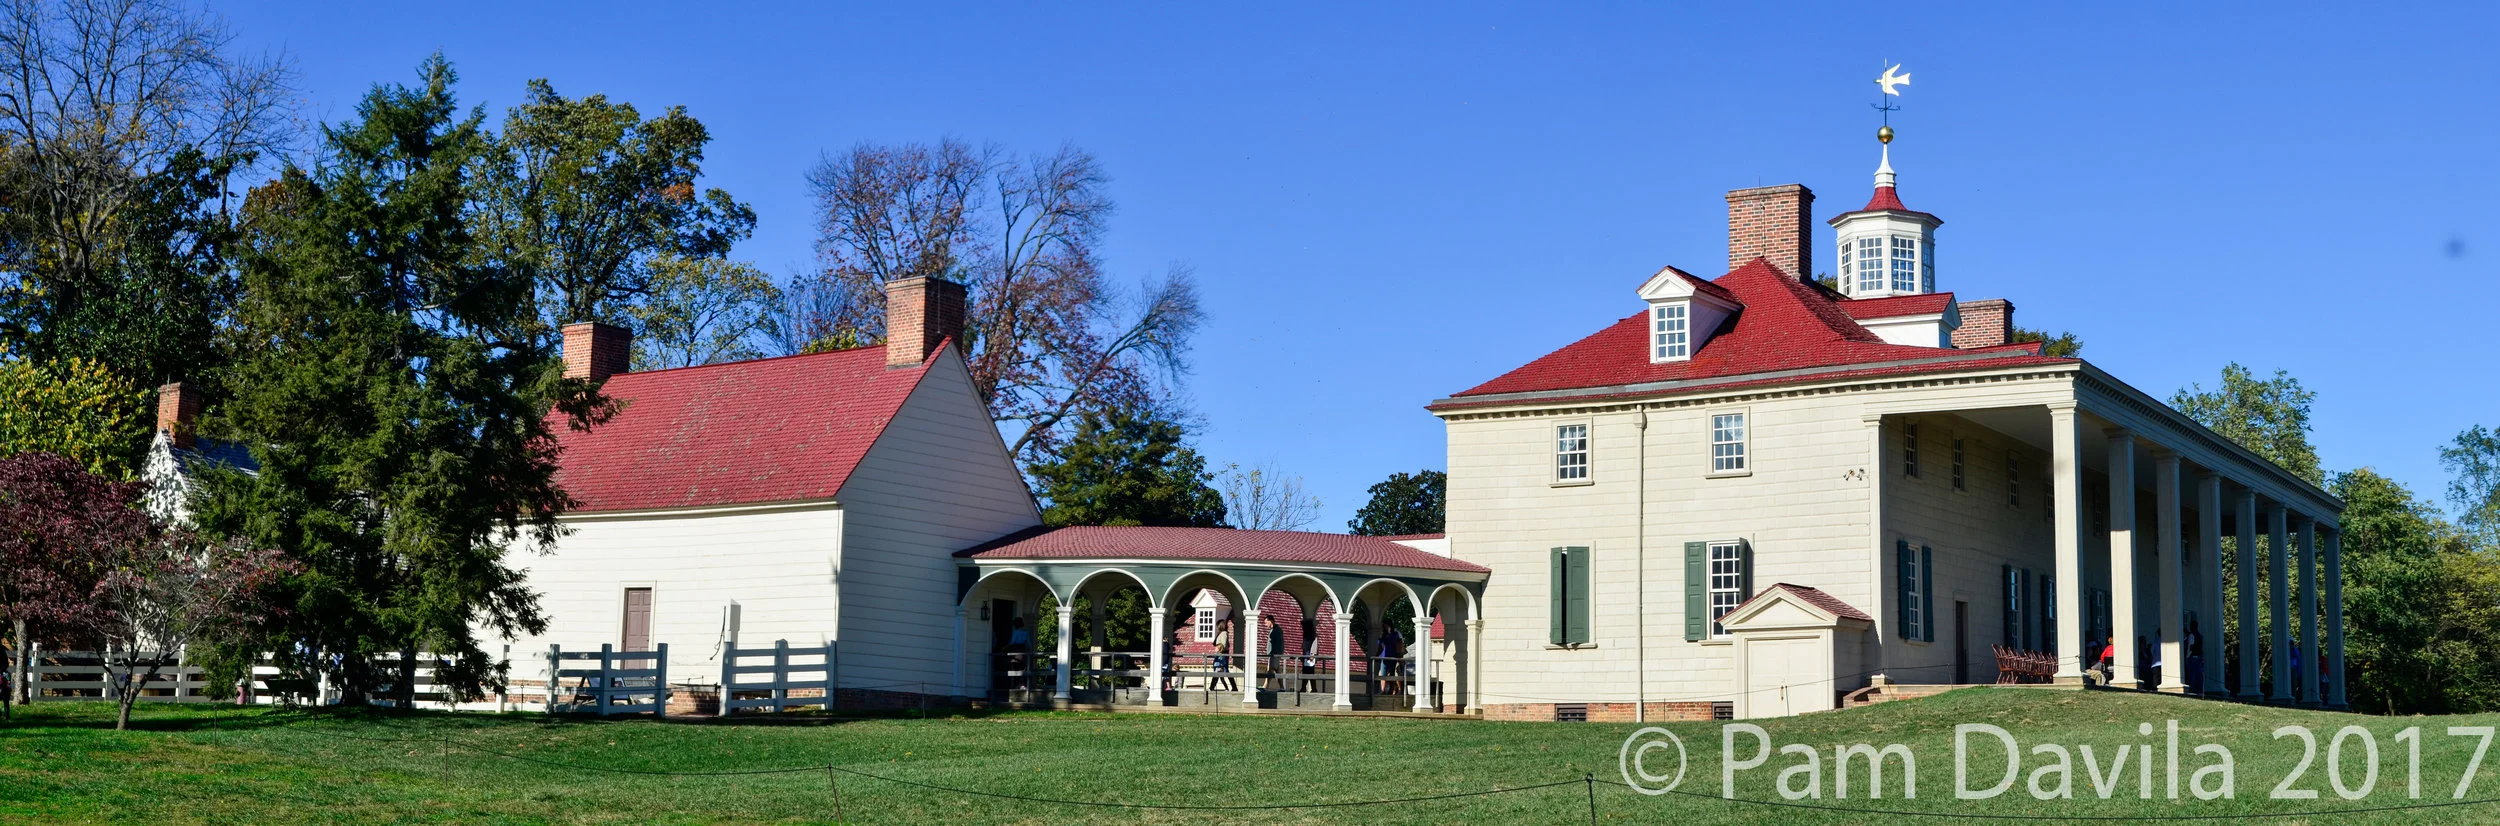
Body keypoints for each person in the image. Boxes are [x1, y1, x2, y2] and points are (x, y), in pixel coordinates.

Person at [1211, 618, 1235, 692]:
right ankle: (1234, 687)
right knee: (1220, 670)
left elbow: (1224, 644)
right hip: (1220, 654)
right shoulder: (1221, 633)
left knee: (1220, 670)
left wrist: (1218, 648)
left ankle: (1211, 687)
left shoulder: (1224, 633)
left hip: (1222, 654)